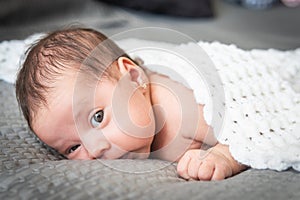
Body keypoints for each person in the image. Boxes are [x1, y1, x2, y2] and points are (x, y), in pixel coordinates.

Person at [15, 27, 248, 181]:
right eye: (73, 148)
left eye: (97, 117)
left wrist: (224, 156)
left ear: (135, 78)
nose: (95, 150)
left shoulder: (181, 109)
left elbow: (251, 129)